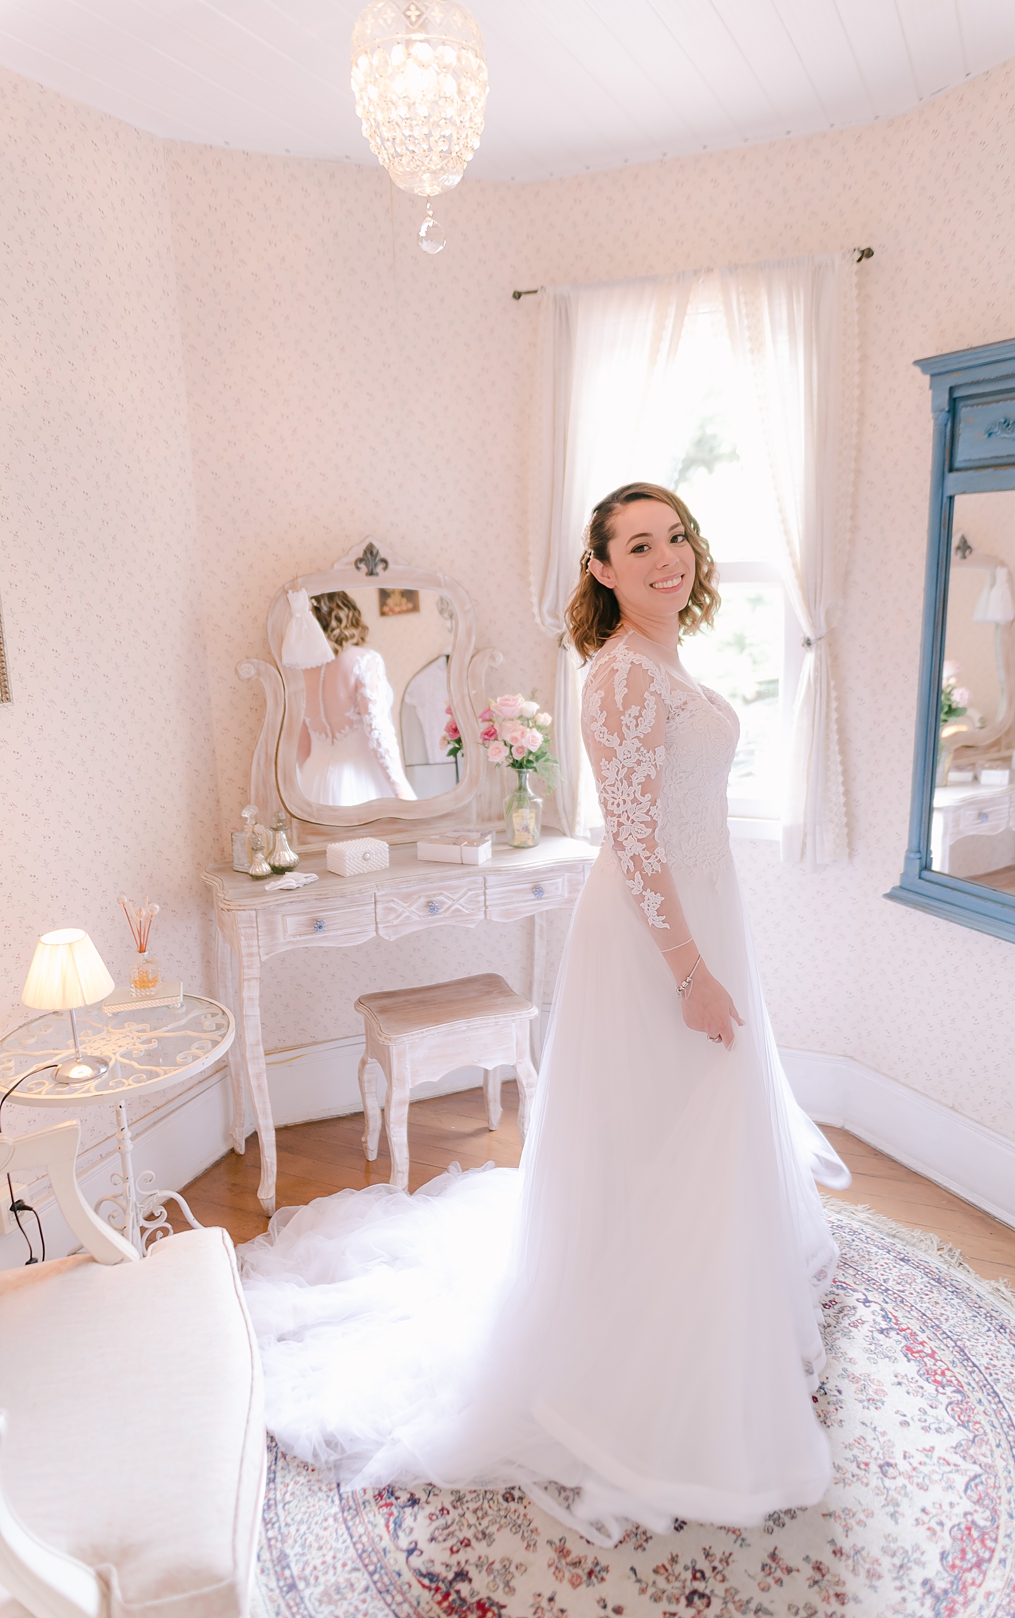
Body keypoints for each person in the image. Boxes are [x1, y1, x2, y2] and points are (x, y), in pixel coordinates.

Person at [241, 483, 850, 1546]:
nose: (667, 557)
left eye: (676, 538)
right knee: (660, 1117)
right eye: (638, 545)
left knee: (695, 1122)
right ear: (602, 569)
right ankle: (633, 1331)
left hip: (703, 913)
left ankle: (700, 1303)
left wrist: (712, 955)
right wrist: (691, 974)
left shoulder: (667, 660)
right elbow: (637, 840)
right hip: (659, 937)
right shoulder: (619, 675)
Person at [293, 590, 416, 805]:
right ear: (348, 615)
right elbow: (378, 733)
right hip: (360, 779)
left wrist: (315, 779)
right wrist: (403, 792)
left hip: (314, 779)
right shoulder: (365, 660)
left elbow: (302, 745)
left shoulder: (300, 671)